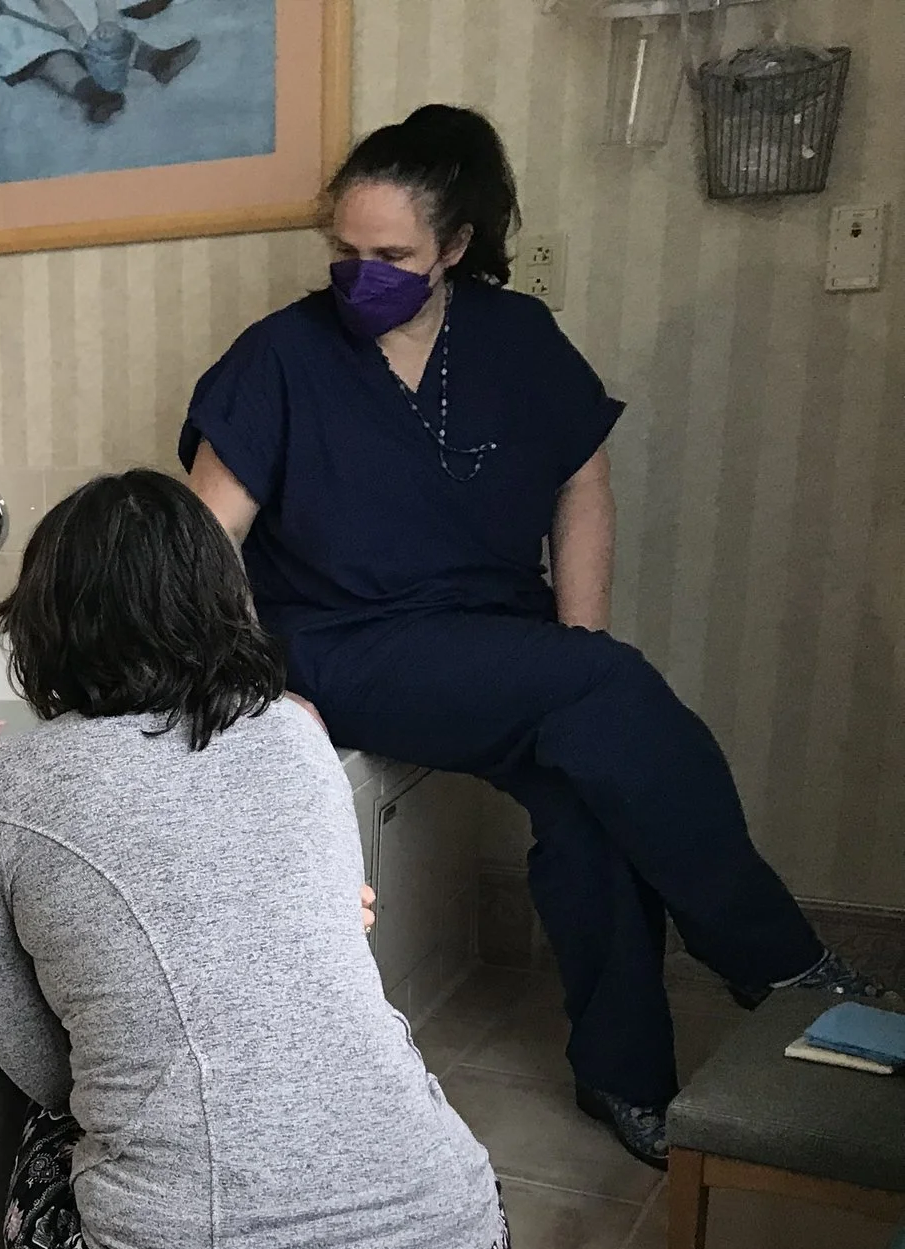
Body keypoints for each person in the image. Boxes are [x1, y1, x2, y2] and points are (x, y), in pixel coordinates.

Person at [182, 104, 882, 1167]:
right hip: (339, 644)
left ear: (456, 247)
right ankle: (777, 960)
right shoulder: (281, 356)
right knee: (597, 700)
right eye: (343, 254)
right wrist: (253, 687)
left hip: (492, 644)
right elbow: (199, 544)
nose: (359, 276)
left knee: (588, 793)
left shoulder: (516, 339)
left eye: (391, 256)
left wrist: (575, 650)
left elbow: (580, 479)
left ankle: (624, 1077)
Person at [0, 470, 509, 1249]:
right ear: (223, 602)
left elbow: (26, 1050)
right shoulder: (297, 738)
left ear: (44, 623)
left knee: (58, 1127)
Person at [0, 0, 200, 127]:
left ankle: (155, 60)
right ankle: (94, 96)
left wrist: (108, 20)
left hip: (63, 10)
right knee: (51, 57)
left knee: (100, 31)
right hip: (21, 17)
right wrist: (70, 25)